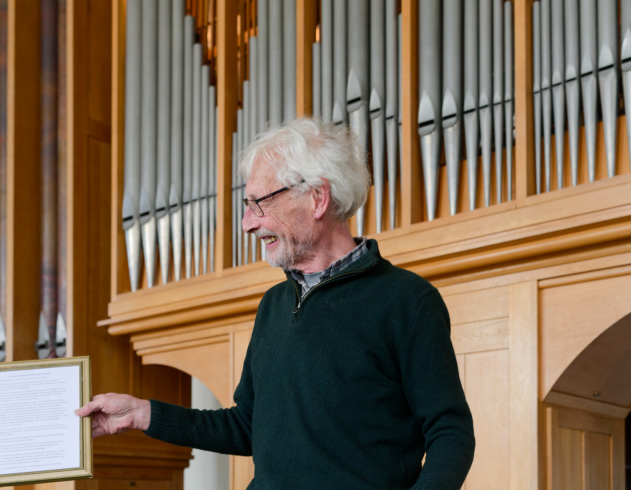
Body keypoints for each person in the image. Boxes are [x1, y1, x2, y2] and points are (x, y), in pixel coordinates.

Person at [76, 117, 475, 489]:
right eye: (247, 206)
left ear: (317, 198)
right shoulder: (273, 305)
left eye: (259, 204)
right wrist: (141, 414)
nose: (248, 223)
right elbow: (246, 425)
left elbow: (450, 432)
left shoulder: (407, 301)